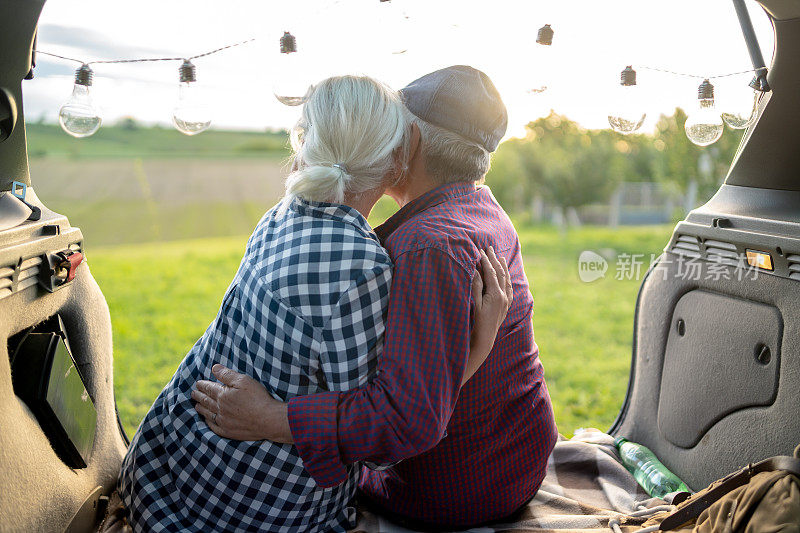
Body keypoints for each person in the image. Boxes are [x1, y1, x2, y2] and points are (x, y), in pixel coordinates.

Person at [117, 74, 510, 533]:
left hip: (166, 466)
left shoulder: (280, 214)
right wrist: (475, 351)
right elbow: (384, 436)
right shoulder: (365, 267)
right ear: (395, 158)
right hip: (246, 510)